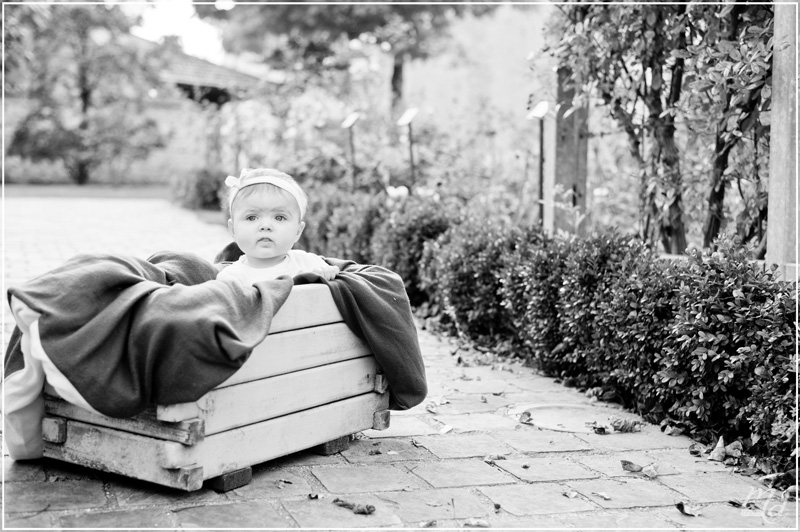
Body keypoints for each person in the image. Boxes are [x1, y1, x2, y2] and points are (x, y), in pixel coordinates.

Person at [216, 168, 339, 285]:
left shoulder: (310, 264)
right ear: (233, 230)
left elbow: (337, 285)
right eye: (252, 217)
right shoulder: (231, 278)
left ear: (298, 231)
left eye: (279, 217)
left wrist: (328, 274)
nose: (265, 226)